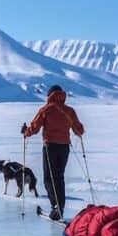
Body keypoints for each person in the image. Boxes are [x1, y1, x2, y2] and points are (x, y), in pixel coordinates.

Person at [23, 85, 84, 221]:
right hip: (64, 148)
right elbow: (79, 130)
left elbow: (35, 127)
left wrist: (26, 132)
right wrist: (78, 130)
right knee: (59, 177)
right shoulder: (69, 111)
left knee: (49, 178)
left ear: (50, 95)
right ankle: (59, 207)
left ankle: (56, 208)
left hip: (50, 147)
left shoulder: (46, 109)